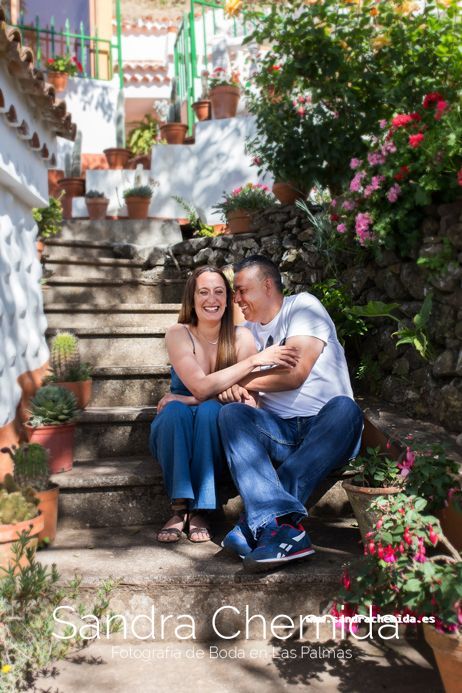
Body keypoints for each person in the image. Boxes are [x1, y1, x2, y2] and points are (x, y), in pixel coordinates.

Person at [218, 255, 363, 571]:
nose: (237, 299)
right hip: (280, 432)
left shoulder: (303, 307)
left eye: (242, 291)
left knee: (345, 408)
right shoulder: (249, 332)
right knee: (232, 416)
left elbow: (296, 373)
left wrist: (242, 379)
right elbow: (223, 379)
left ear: (268, 285)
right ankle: (283, 531)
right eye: (235, 293)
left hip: (328, 428)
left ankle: (256, 524)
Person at [149, 265, 299, 544]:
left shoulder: (241, 336)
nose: (212, 299)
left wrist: (195, 398)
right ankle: (180, 508)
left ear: (228, 299)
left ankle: (202, 510)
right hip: (177, 426)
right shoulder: (178, 333)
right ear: (191, 299)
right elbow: (200, 386)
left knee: (209, 411)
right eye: (203, 292)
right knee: (174, 413)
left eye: (219, 292)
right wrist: (253, 362)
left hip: (212, 425)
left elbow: (250, 399)